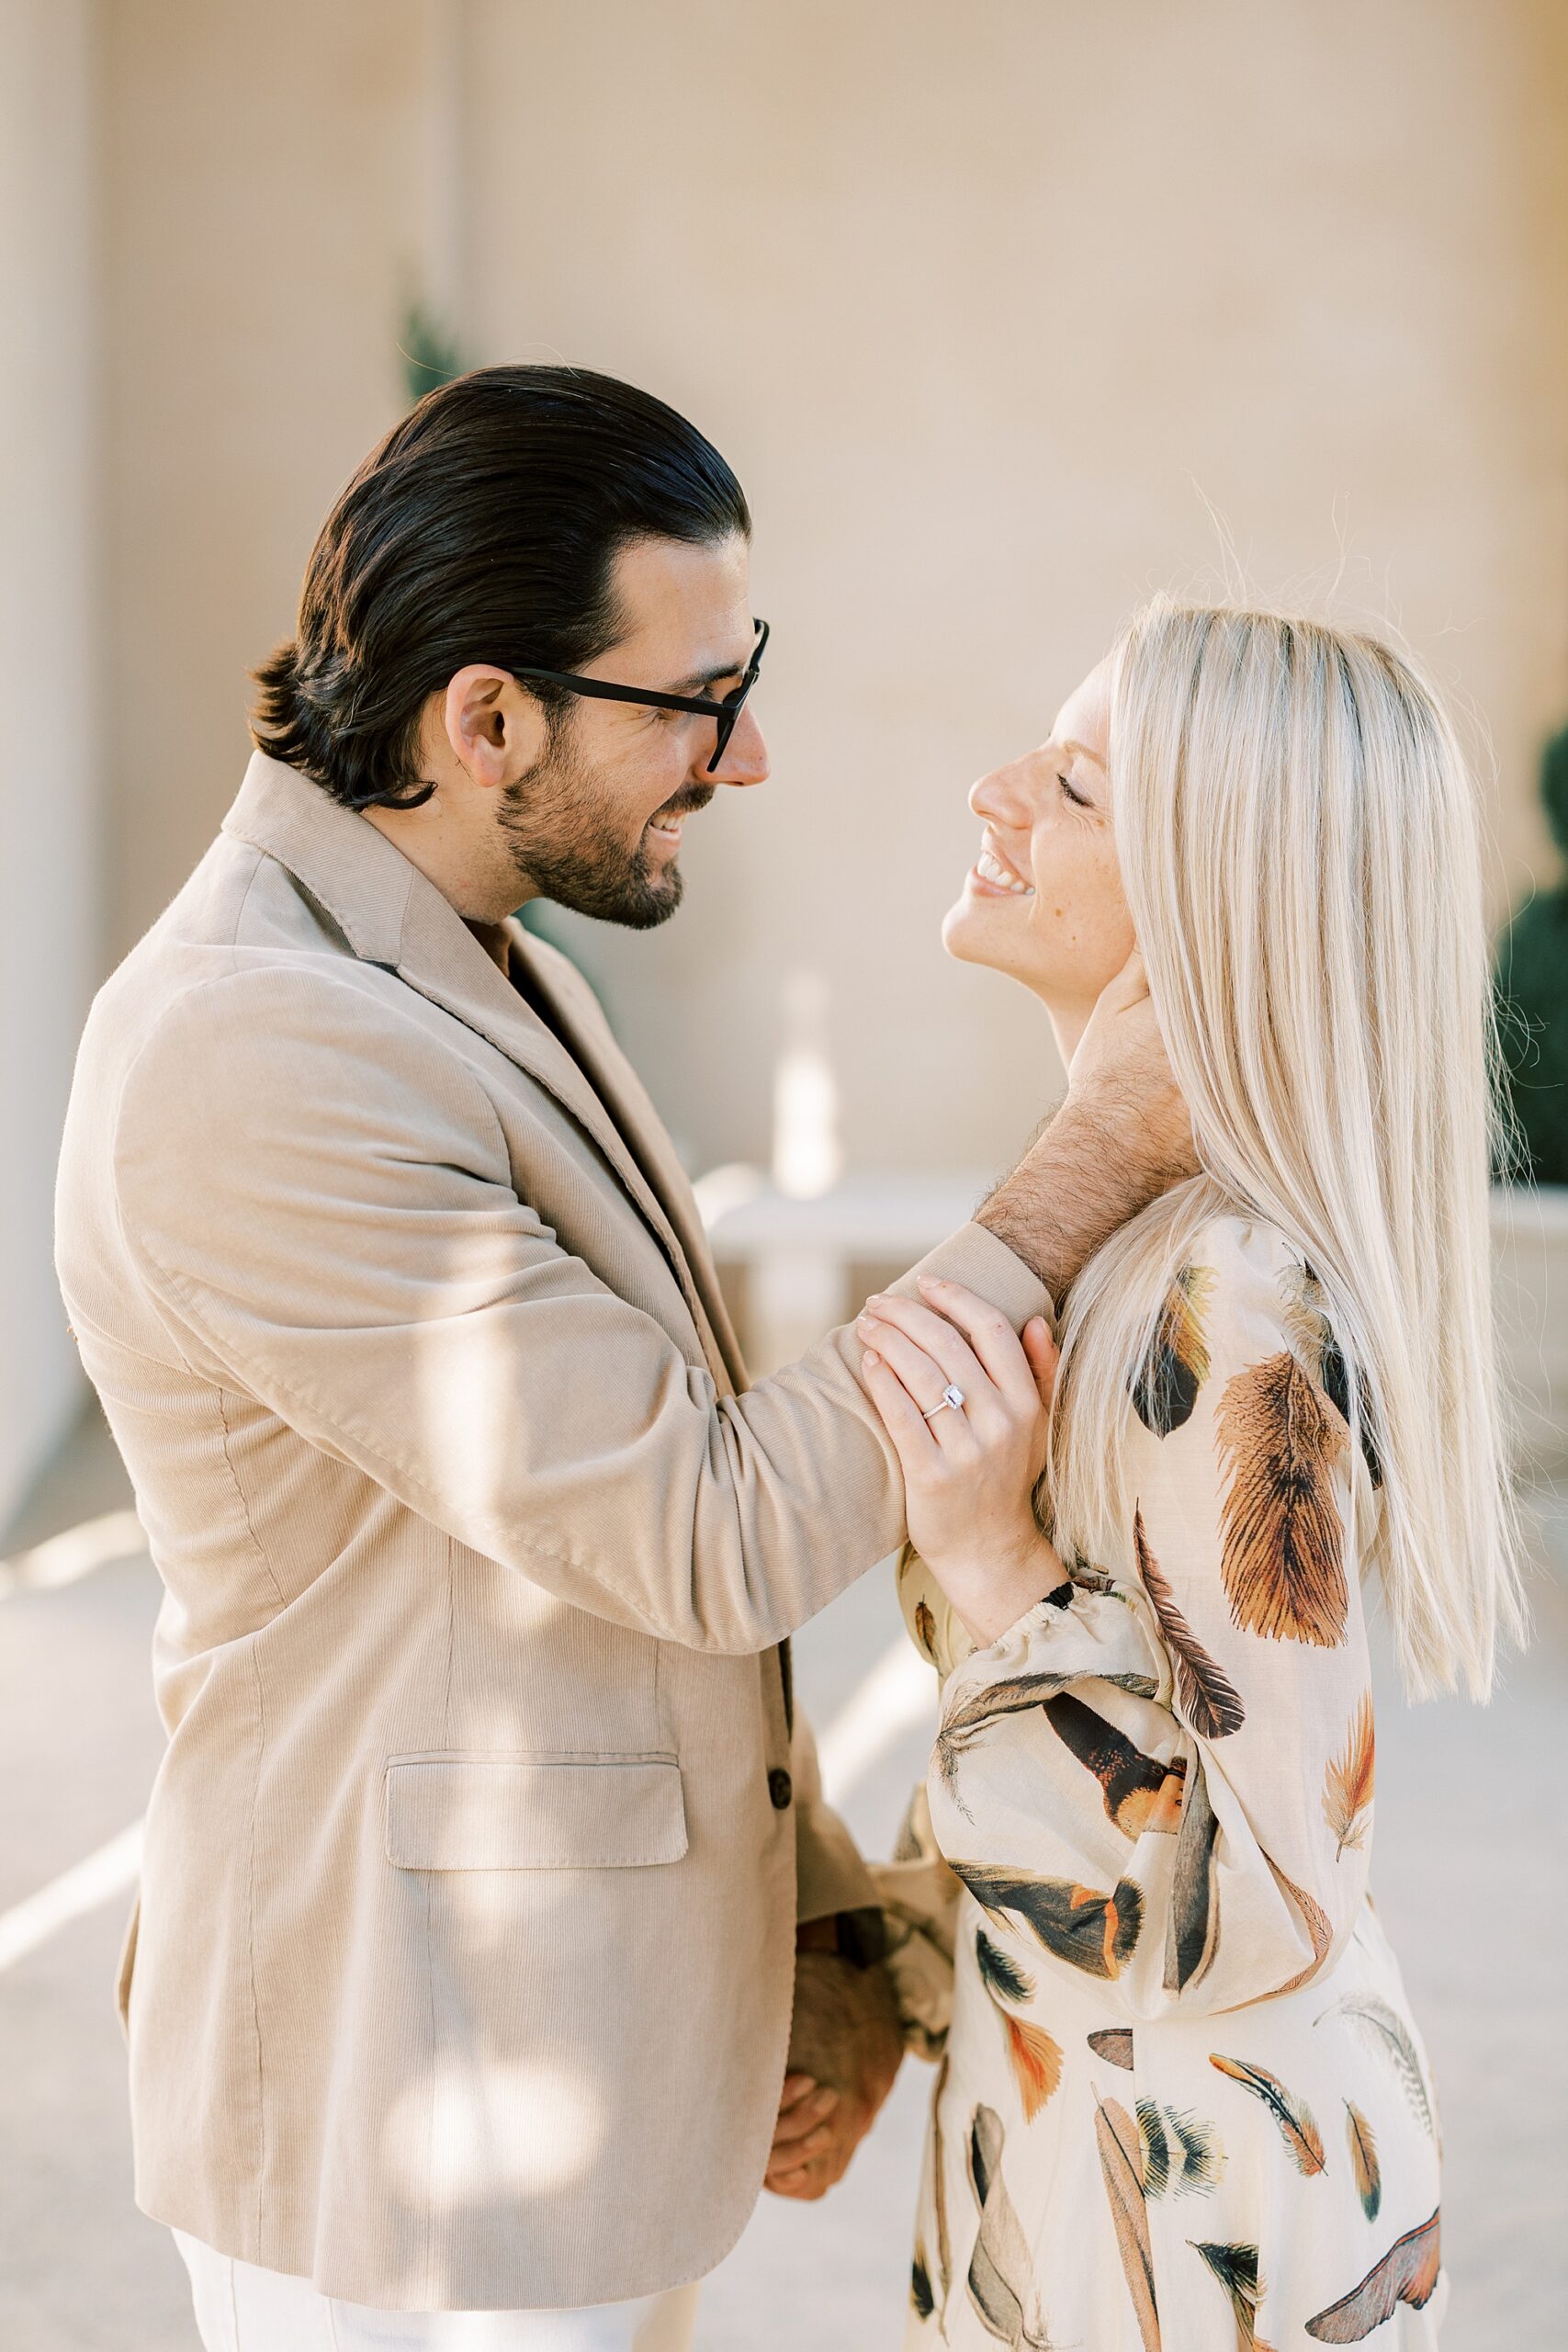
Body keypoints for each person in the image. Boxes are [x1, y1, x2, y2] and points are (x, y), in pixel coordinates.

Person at [52, 366, 1190, 2351]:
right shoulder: (255, 1050)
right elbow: (703, 1518)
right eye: (698, 704)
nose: (741, 763)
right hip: (404, 2109)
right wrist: (1099, 1144)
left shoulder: (484, 957)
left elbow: (576, 1582)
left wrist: (805, 1932)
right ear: (482, 718)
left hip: (573, 2043)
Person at [857, 601, 1526, 2350]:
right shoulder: (1130, 1245)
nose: (996, 791)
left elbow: (1262, 1890)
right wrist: (891, 1983)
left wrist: (996, 1574)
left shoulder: (1235, 1300)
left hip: (1202, 2215)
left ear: (1218, 903)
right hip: (1077, 2139)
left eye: (1075, 787)